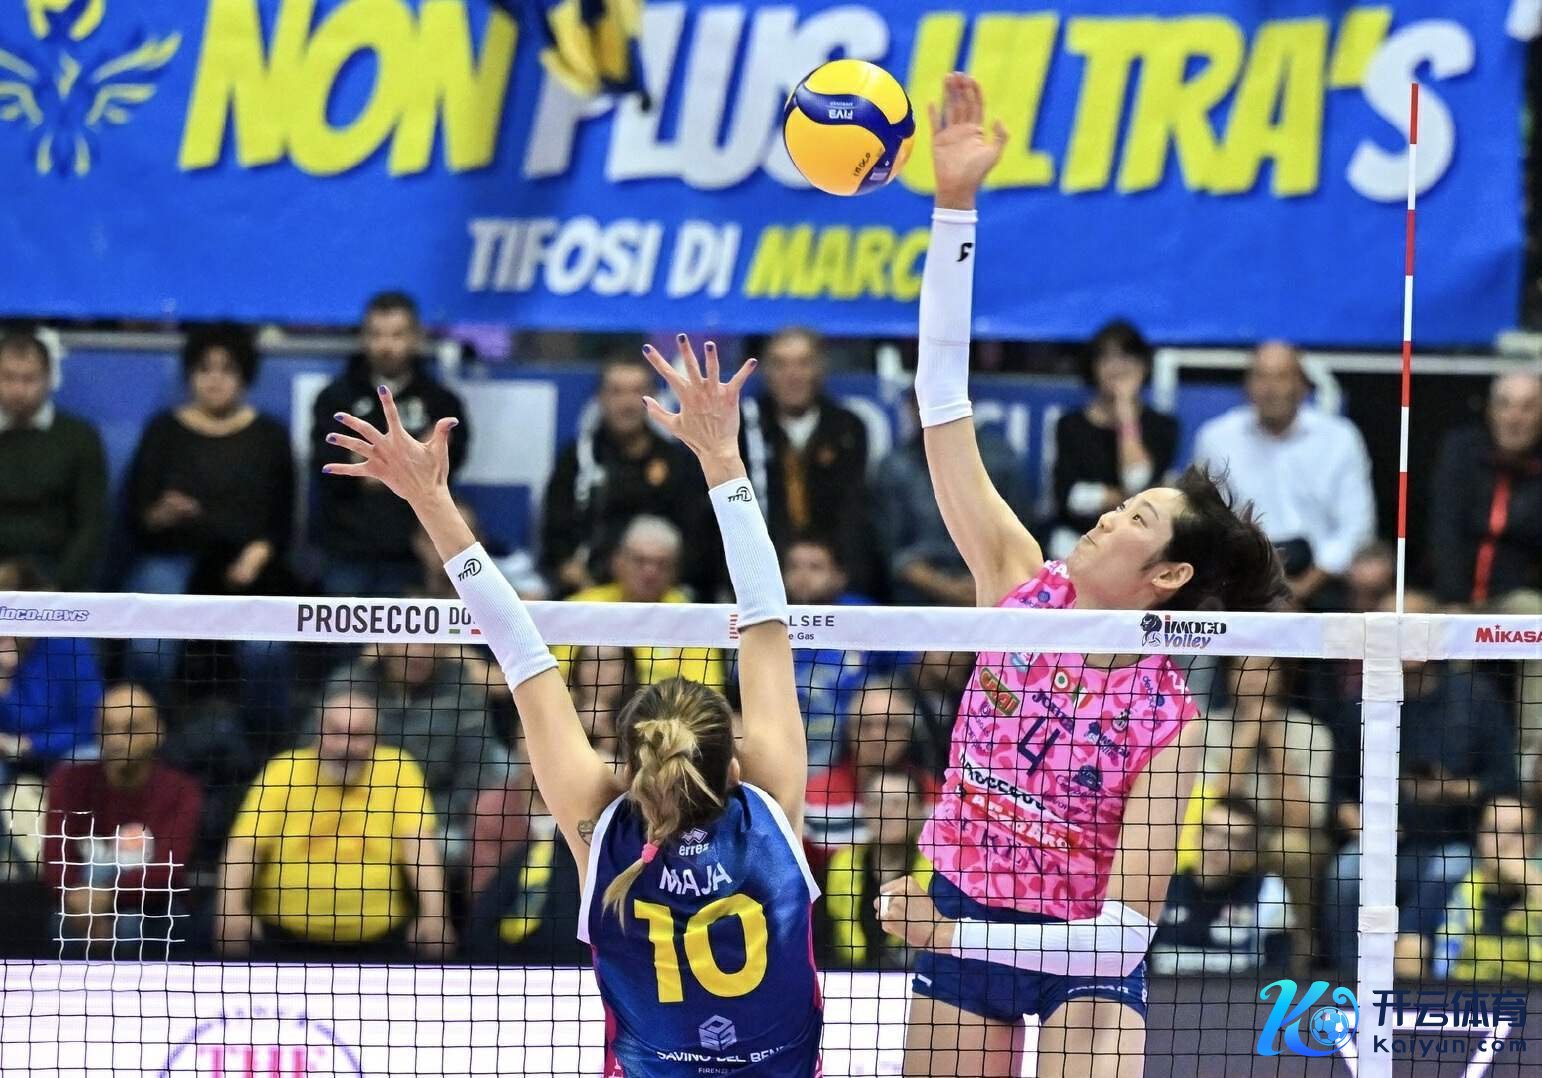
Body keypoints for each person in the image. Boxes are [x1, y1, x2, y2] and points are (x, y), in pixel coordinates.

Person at [874, 74, 1289, 1078]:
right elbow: (941, 400)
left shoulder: (1168, 720)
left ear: (1168, 574)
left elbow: (1120, 936)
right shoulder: (1016, 583)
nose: (1108, 516)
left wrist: (945, 933)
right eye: (1121, 504)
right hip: (965, 906)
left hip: (1078, 961)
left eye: (1135, 519)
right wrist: (955, 208)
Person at [321, 335, 823, 1074]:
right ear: (734, 762)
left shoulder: (603, 827)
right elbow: (767, 616)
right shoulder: (771, 804)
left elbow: (521, 654)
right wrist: (724, 457)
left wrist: (430, 501)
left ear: (629, 761)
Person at [1322, 592, 1518, 972]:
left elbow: (1504, 781)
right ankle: (1349, 981)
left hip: (1455, 842)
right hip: (1381, 846)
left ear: (1433, 635)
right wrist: (1362, 826)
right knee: (1345, 874)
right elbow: (1336, 790)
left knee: (1451, 870)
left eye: (1410, 628)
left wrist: (1451, 791)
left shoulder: (1475, 697)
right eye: (1390, 629)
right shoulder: (1360, 703)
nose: (1401, 639)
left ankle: (1410, 971)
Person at [213, 677, 455, 961]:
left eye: (358, 735)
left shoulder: (398, 769)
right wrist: (230, 909)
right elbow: (245, 846)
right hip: (283, 940)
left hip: (381, 942)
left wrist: (435, 915)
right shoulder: (284, 770)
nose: (345, 746)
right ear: (318, 733)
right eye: (336, 733)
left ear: (376, 738)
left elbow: (420, 847)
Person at [121, 324, 295, 719]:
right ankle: (149, 736)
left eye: (227, 369)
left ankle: (264, 743)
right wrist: (162, 514)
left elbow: (281, 520)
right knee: (148, 648)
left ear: (245, 376)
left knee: (266, 650)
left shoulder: (269, 436)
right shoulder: (163, 430)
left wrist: (258, 553)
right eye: (204, 369)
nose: (215, 379)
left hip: (248, 565)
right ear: (190, 375)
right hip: (171, 558)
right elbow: (138, 516)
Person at [1191, 341, 1375, 610]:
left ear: (1303, 386)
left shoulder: (1340, 438)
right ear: (1246, 386)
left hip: (1322, 580)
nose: (1271, 388)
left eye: (1281, 377)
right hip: (1244, 579)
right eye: (1261, 377)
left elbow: (1357, 526)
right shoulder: (1216, 438)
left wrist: (1303, 587)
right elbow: (1208, 522)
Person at [311, 291, 470, 596]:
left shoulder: (440, 401)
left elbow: (446, 468)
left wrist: (369, 464)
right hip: (347, 548)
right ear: (363, 338)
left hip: (416, 550)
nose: (386, 346)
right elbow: (330, 467)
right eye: (377, 335)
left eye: (397, 335)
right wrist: (408, 465)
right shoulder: (334, 398)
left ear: (416, 338)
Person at [42, 684, 202, 960]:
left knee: (130, 926)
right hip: (81, 906)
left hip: (156, 908)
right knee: (63, 924)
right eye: (108, 729)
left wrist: (107, 898)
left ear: (157, 732)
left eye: (131, 729)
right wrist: (82, 904)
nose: (117, 740)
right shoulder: (68, 781)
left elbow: (167, 872)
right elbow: (56, 862)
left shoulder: (181, 790)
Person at [541, 355, 720, 599]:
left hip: (665, 595)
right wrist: (572, 574)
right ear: (600, 398)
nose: (627, 404)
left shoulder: (679, 462)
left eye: (637, 392)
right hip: (591, 591)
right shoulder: (577, 461)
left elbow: (699, 543)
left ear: (654, 397)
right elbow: (554, 539)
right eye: (616, 392)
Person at [740, 326, 874, 594]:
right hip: (760, 571)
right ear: (765, 372)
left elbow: (852, 508)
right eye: (780, 364)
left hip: (832, 573)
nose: (792, 375)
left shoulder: (847, 428)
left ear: (820, 369)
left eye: (803, 363)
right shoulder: (744, 428)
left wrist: (839, 572)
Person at [873, 391, 1024, 606]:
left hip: (992, 585)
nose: (937, 413)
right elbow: (892, 551)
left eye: (945, 401)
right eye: (925, 402)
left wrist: (985, 584)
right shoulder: (895, 466)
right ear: (912, 408)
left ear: (967, 405)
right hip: (918, 595)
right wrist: (945, 588)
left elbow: (1019, 539)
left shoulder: (1001, 460)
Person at [1047, 320, 1179, 561]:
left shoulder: (1163, 426)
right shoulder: (1070, 425)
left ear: (1143, 365)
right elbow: (1069, 497)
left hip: (1138, 548)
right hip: (1075, 540)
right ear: (1093, 366)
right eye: (1106, 357)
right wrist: (1126, 500)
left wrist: (1125, 412)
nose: (1117, 367)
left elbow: (1139, 483)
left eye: (1126, 356)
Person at [554, 516, 726, 691]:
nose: (650, 572)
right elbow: (560, 683)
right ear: (618, 561)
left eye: (661, 564)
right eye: (640, 561)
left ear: (675, 570)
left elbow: (705, 694)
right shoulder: (582, 607)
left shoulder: (692, 618)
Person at [0, 330, 107, 591]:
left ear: (49, 380)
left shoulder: (79, 437)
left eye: (29, 379)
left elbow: (92, 523)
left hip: (54, 569)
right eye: (8, 377)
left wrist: (58, 585)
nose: (18, 390)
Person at [1395, 795, 1542, 983]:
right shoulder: (1443, 891)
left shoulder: (1538, 891)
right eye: (1493, 830)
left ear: (1534, 842)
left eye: (1517, 832)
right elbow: (1407, 953)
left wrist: (1534, 883)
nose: (1503, 842)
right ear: (1479, 837)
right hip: (1458, 998)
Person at [1427, 371, 1541, 607]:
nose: (1514, 418)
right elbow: (1445, 529)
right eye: (1505, 405)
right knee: (1396, 612)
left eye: (1527, 408)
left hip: (1516, 598)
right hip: (1447, 596)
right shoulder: (1461, 452)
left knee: (1527, 606)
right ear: (1490, 411)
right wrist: (1454, 601)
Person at [1149, 797, 1292, 977]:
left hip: (1240, 993)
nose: (1215, 846)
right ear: (1197, 835)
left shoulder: (1268, 890)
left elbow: (1278, 969)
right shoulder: (1162, 886)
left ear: (1249, 850)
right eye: (1210, 831)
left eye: (1231, 838)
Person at [819, 769, 932, 970]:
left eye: (898, 803)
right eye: (876, 802)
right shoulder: (840, 864)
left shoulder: (938, 873)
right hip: (845, 974)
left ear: (919, 812)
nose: (885, 812)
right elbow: (821, 932)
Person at [0, 560, 103, 779]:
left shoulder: (69, 645)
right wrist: (3, 679)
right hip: (8, 759)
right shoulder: (4, 651)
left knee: (88, 758)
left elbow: (88, 724)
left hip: (65, 752)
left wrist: (29, 745)